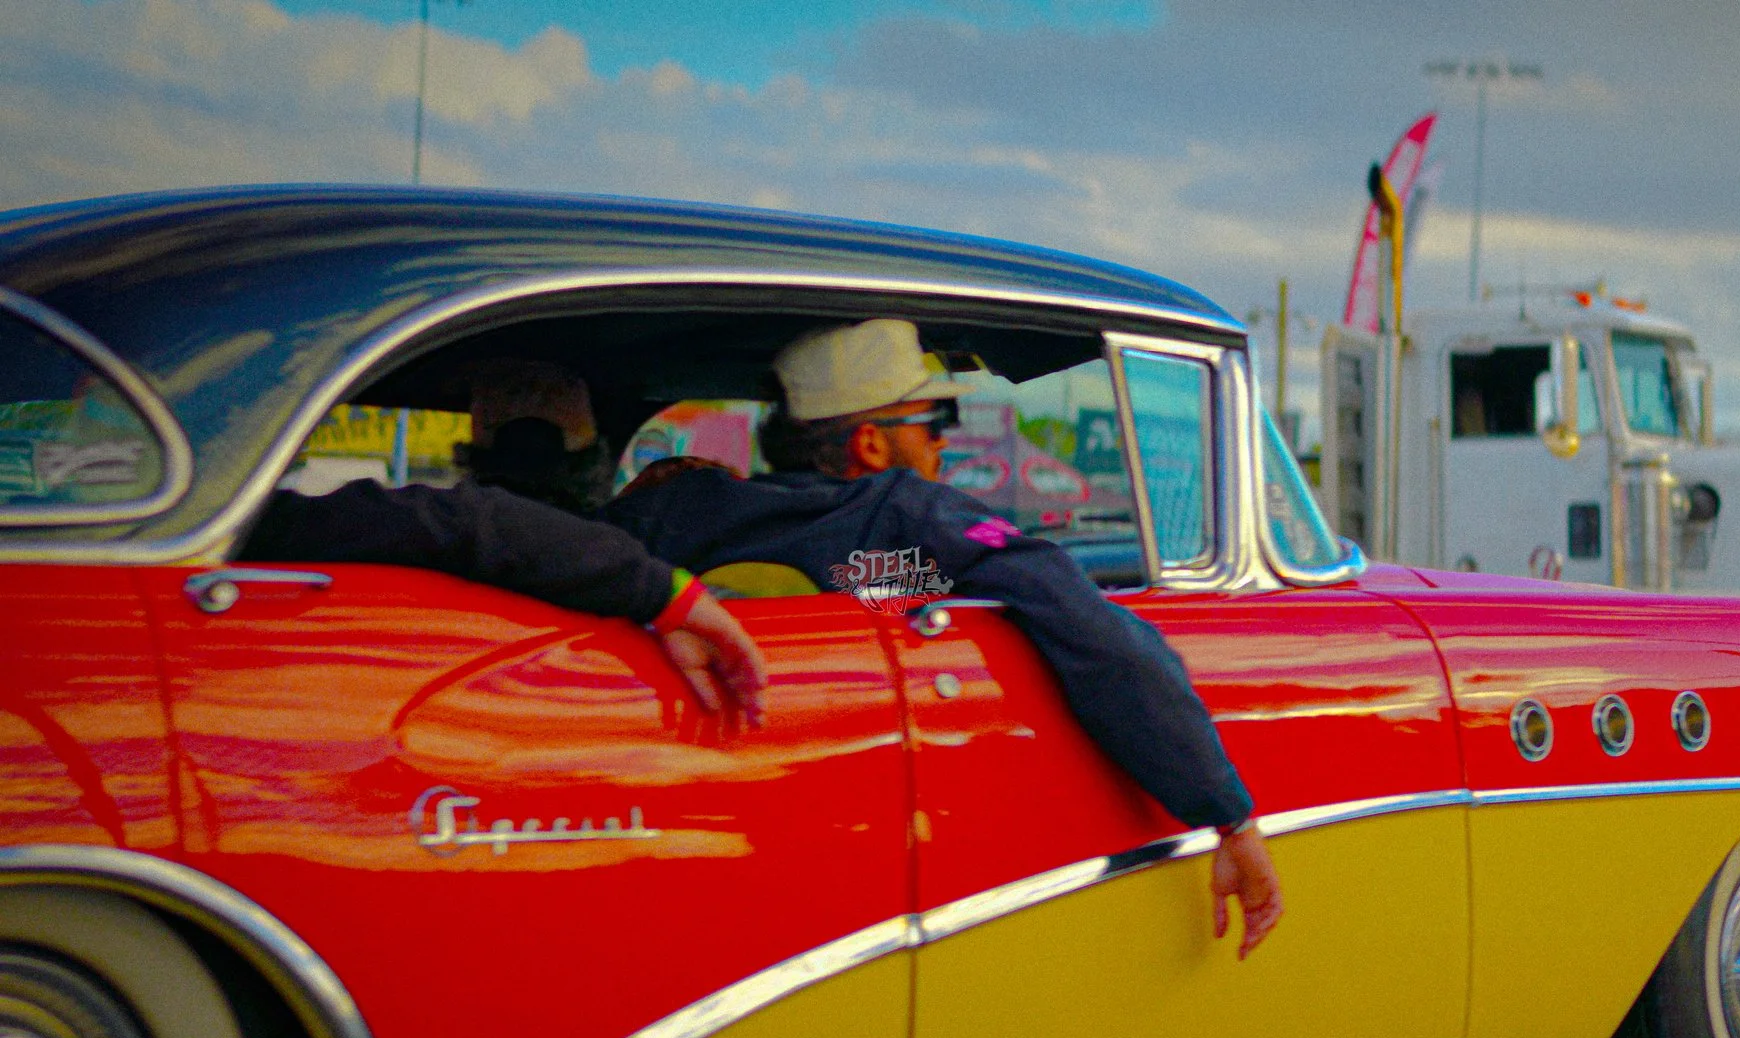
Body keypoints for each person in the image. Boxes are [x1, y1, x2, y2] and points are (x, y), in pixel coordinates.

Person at [602, 319, 1284, 952]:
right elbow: (1095, 632)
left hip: (673, 828)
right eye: (934, 420)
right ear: (870, 444)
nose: (944, 440)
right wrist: (1229, 813)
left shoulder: (673, 509)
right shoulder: (918, 516)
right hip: (859, 848)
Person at [241, 370, 768, 728]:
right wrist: (663, 593)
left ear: (472, 457)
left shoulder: (357, 538)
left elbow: (464, 520)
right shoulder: (631, 564)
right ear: (595, 464)